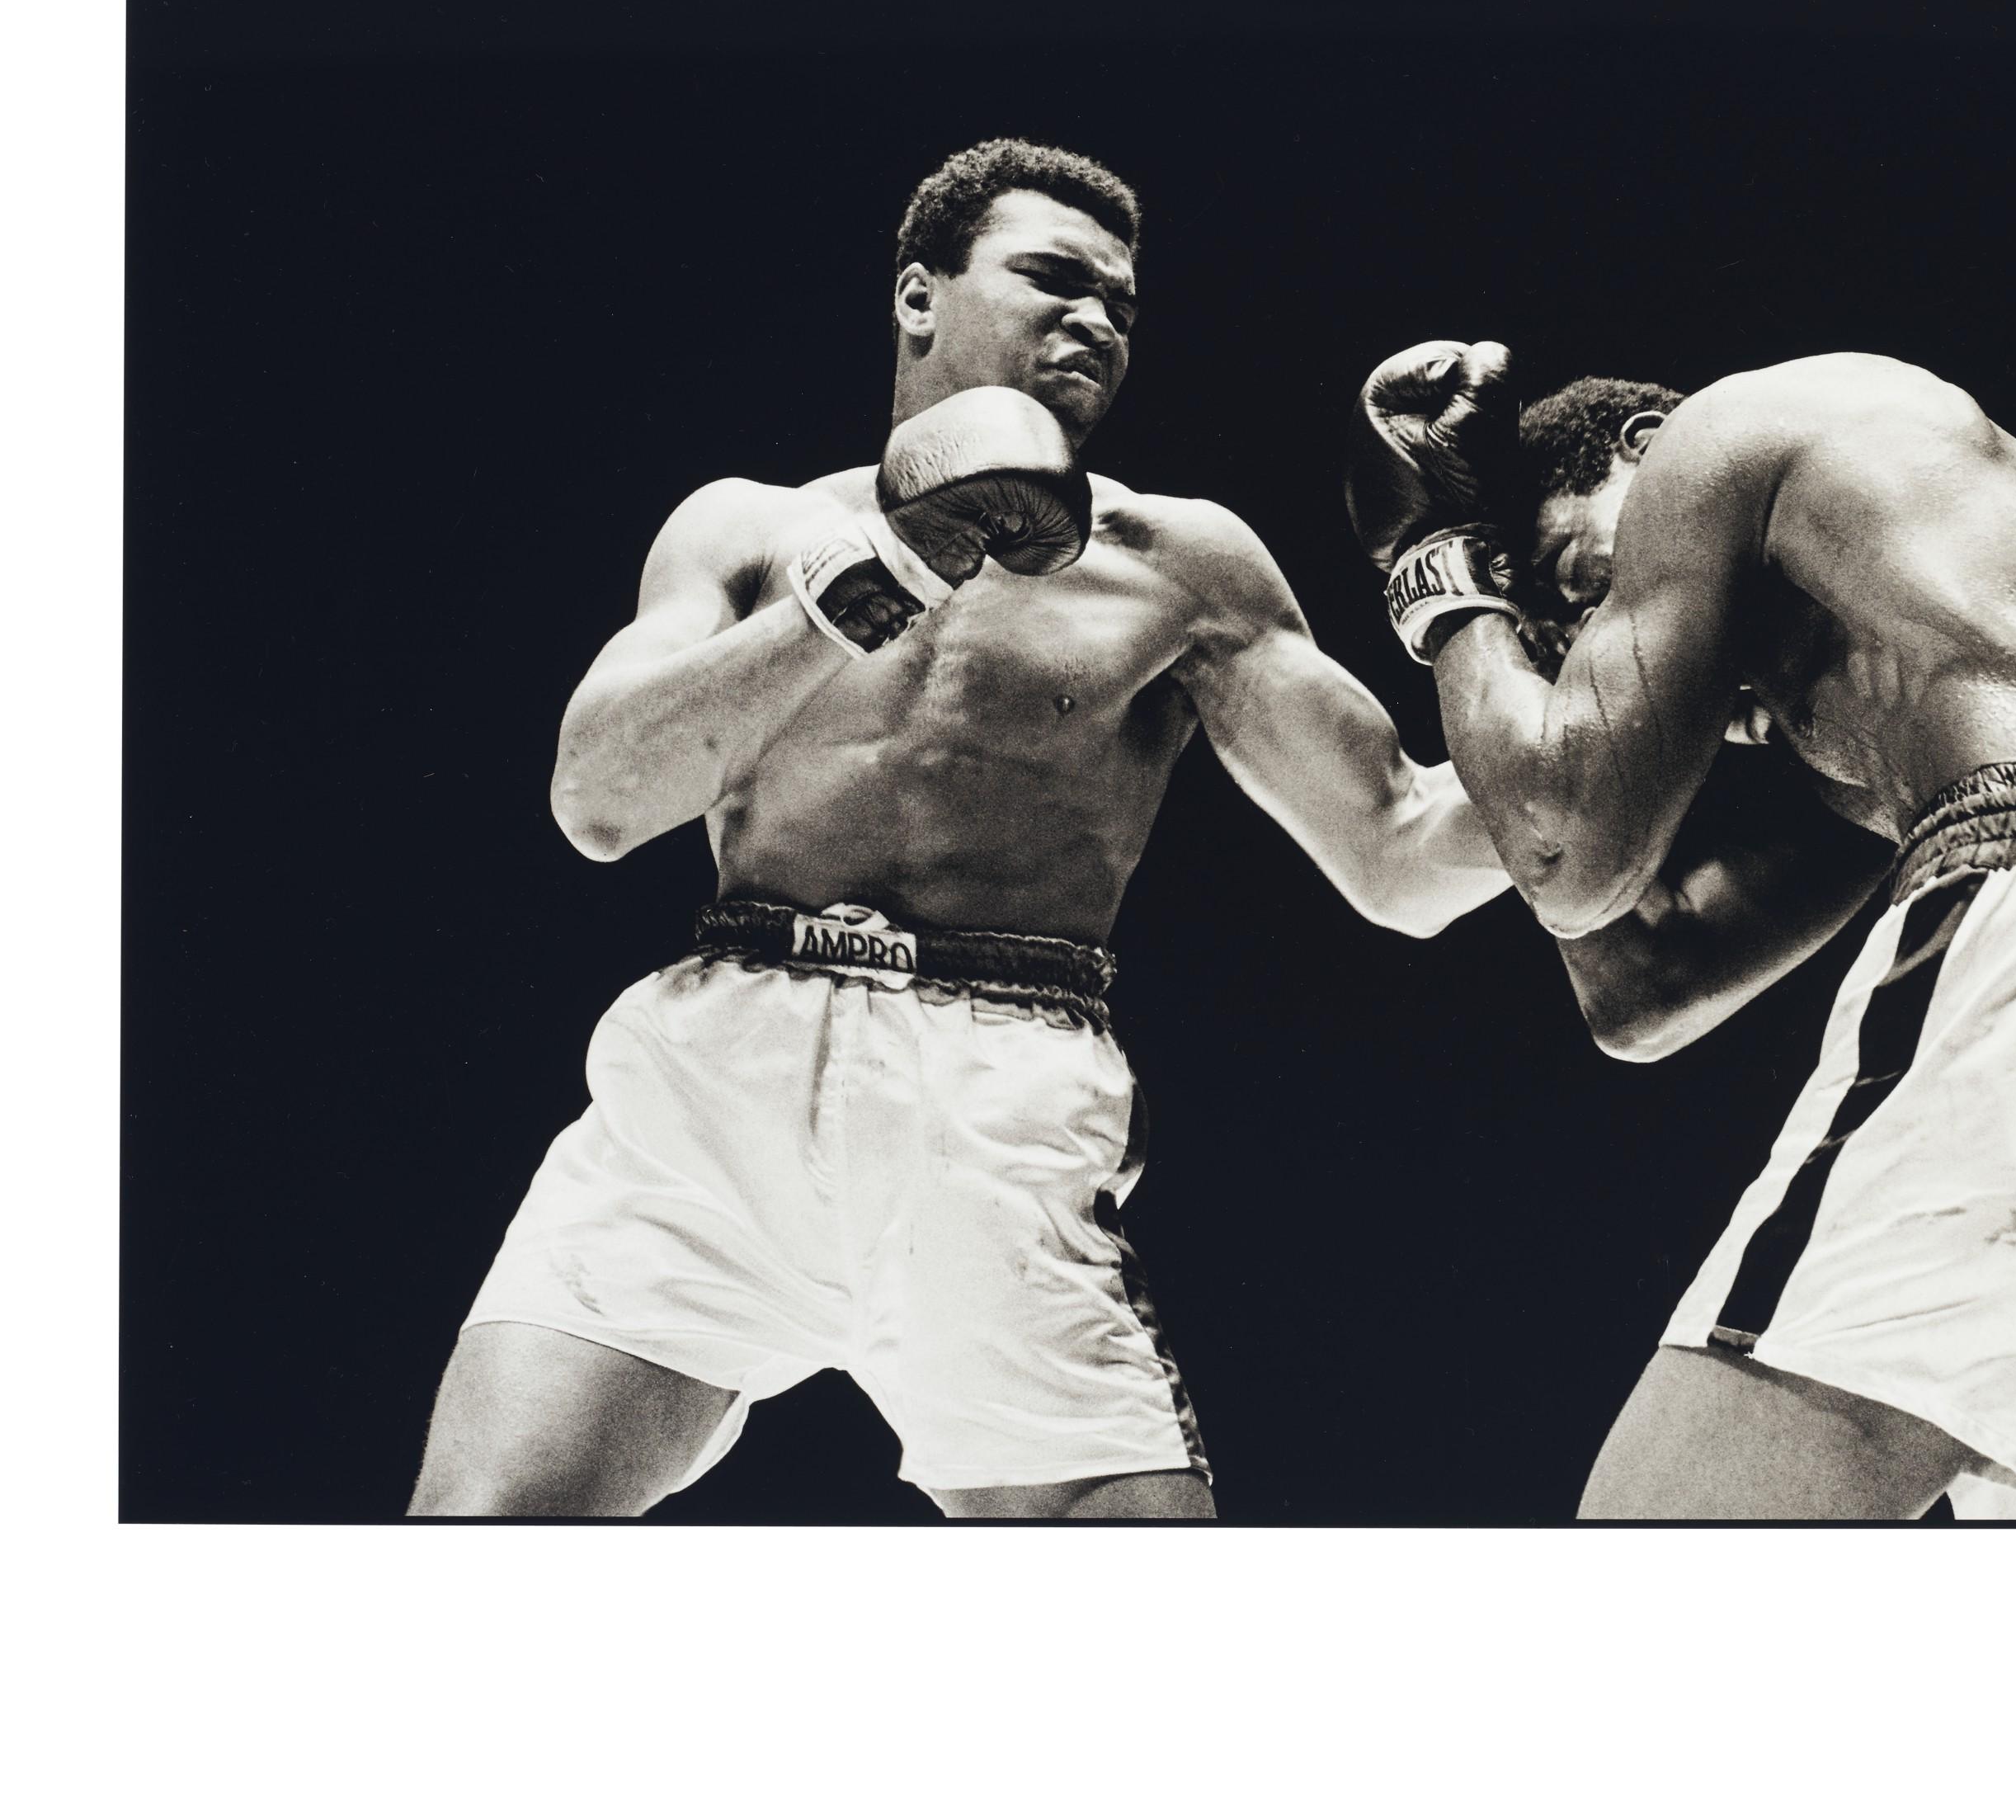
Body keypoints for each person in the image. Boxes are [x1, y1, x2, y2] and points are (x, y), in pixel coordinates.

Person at [408, 140, 1509, 1519]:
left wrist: (1645, 703)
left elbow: (1402, 849)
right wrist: (872, 582)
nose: (1096, 321)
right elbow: (599, 799)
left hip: (998, 1103)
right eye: (1051, 278)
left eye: (1120, 302)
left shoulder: (1183, 564)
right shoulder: (748, 527)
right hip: (713, 1093)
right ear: (918, 298)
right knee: (475, 1539)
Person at [1345, 342, 2016, 1520]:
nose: (1601, 641)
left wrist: (1434, 572)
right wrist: (1539, 707)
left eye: (1587, 579)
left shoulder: (1732, 432)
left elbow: (1563, 854)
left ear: (1645, 453)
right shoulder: (1939, 694)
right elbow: (1639, 980)